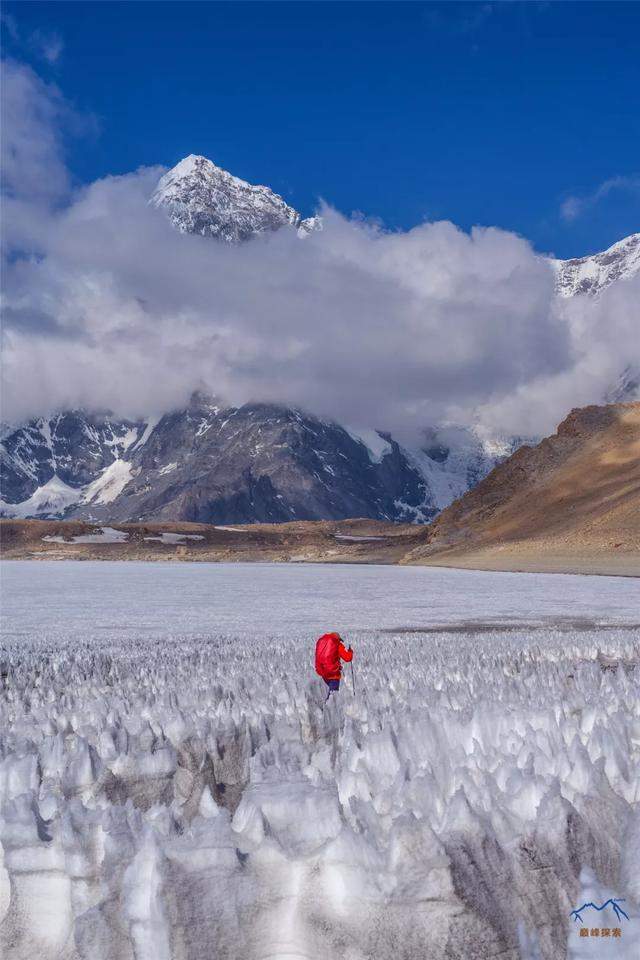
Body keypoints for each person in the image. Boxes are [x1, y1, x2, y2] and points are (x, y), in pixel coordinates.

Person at [315, 631, 353, 700]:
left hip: (323, 673)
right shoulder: (337, 644)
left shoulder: (323, 642)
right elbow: (348, 658)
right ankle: (327, 709)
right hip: (333, 674)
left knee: (329, 693)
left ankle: (324, 706)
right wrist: (350, 651)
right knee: (332, 697)